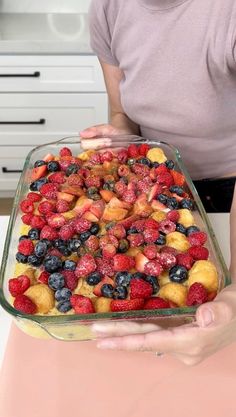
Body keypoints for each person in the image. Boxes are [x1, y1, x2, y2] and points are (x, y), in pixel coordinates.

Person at [79, 0, 236, 365]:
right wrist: (119, 137)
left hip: (224, 197)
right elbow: (123, 114)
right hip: (151, 192)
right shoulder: (108, 7)